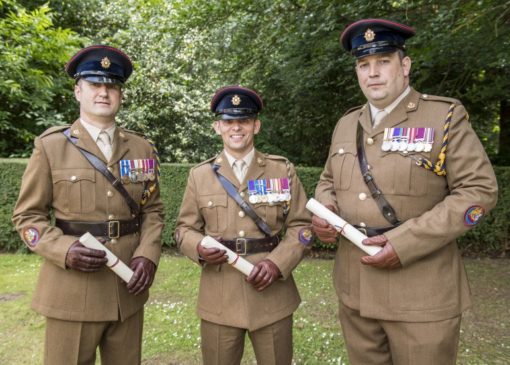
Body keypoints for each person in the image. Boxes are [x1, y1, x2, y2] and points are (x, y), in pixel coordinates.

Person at [312, 19, 498, 365]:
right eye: (363, 65)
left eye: (383, 61)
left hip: (421, 293)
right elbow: (328, 180)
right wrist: (327, 206)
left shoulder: (444, 116)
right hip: (357, 290)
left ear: (405, 65)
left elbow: (478, 190)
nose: (373, 73)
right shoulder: (346, 124)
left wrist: (405, 242)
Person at [12, 45, 165, 365]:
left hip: (127, 289)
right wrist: (63, 249)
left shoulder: (141, 148)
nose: (104, 93)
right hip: (72, 291)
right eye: (95, 84)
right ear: (78, 91)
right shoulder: (51, 146)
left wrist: (148, 255)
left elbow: (152, 210)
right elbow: (28, 217)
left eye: (112, 86)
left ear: (120, 95)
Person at [175, 85, 312, 365]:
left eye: (244, 121)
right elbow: (183, 230)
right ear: (217, 127)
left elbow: (303, 227)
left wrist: (277, 264)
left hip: (271, 292)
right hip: (219, 293)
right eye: (228, 122)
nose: (236, 128)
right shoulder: (200, 175)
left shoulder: (281, 170)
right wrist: (198, 247)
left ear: (256, 125)